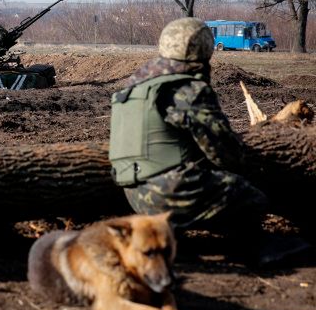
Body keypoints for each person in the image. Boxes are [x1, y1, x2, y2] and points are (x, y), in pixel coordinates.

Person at [108, 17, 309, 263]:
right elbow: (225, 153)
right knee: (250, 196)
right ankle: (258, 248)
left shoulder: (133, 87)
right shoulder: (187, 89)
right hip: (170, 191)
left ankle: (177, 239)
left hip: (131, 192)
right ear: (204, 48)